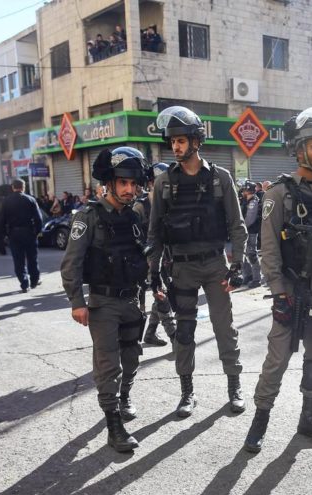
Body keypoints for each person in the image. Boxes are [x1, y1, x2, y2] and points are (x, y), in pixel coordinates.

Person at [243, 106, 312, 453]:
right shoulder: (279, 194)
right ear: (300, 148)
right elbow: (269, 249)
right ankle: (260, 420)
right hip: (290, 288)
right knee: (278, 358)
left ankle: (308, 418)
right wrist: (277, 292)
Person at [148, 106, 248, 418]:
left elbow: (237, 226)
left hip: (216, 264)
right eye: (173, 141)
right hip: (182, 268)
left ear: (196, 141)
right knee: (184, 332)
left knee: (223, 327)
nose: (176, 146)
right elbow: (155, 233)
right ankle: (187, 393)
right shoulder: (164, 183)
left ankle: (234, 387)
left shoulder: (221, 178)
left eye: (181, 140)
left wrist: (238, 265)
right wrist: (155, 274)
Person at [61, 147, 152, 452]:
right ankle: (114, 425)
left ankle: (124, 398)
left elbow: (141, 255)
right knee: (107, 364)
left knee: (131, 358)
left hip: (132, 301)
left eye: (133, 184)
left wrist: (156, 286)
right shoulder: (88, 216)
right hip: (103, 303)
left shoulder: (135, 216)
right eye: (123, 183)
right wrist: (77, 301)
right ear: (110, 183)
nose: (130, 189)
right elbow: (71, 262)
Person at [134, 162, 176, 347]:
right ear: (152, 182)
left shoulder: (171, 203)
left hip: (167, 258)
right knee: (161, 294)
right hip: (148, 259)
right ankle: (174, 335)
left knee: (162, 291)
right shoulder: (140, 206)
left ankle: (150, 333)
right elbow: (133, 237)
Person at [1, 179, 43, 293]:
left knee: (18, 259)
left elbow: (1, 220)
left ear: (12, 187)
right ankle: (34, 280)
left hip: (14, 233)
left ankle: (24, 283)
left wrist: (5, 234)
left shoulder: (6, 201)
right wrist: (37, 232)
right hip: (29, 232)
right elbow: (39, 219)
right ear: (23, 187)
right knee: (32, 258)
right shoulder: (30, 199)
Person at [239, 181, 263, 289]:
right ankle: (247, 276)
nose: (242, 191)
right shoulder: (245, 200)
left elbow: (250, 219)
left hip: (251, 231)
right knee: (243, 254)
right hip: (244, 231)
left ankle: (257, 279)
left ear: (248, 190)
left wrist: (241, 227)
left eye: (244, 189)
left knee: (252, 254)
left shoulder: (254, 201)